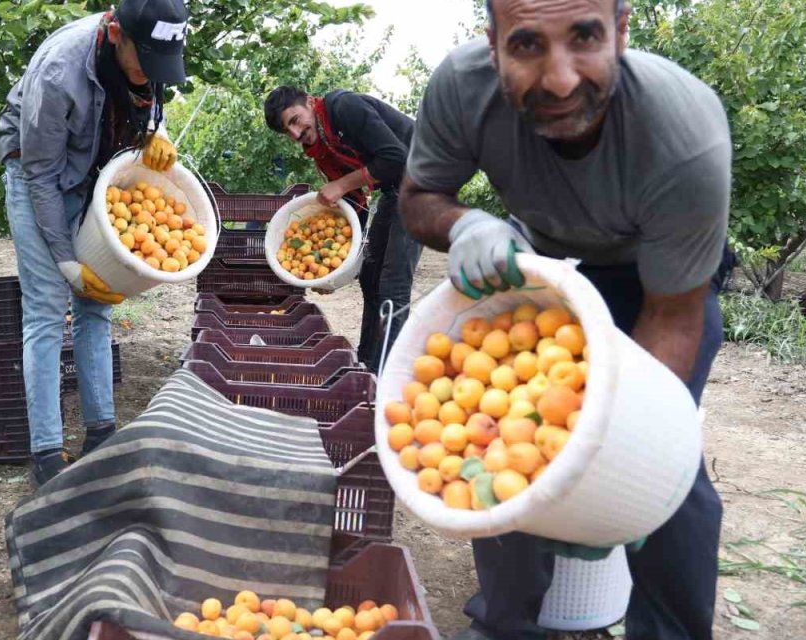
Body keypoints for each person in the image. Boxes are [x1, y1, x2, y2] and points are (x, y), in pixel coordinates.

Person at [399, 0, 735, 638]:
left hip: (657, 281)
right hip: (546, 267)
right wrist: (465, 222)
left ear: (622, 32)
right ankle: (505, 625)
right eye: (526, 45)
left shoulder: (682, 135)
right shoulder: (462, 87)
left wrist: (613, 461)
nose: (559, 78)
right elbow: (420, 197)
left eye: (585, 38)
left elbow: (672, 314)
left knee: (663, 463)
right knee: (498, 442)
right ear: (491, 44)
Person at [0, 0, 186, 486]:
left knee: (96, 302)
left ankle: (101, 433)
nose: (150, 74)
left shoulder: (147, 55)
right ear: (116, 32)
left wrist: (157, 130)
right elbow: (41, 175)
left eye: (159, 65)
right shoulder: (61, 69)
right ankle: (46, 454)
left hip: (88, 172)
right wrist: (64, 260)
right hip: (34, 170)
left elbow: (145, 99)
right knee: (45, 306)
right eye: (144, 61)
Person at [263, 86, 423, 372]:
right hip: (396, 187)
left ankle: (387, 374)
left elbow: (394, 157)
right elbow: (354, 203)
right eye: (288, 131)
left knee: (393, 283)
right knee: (370, 277)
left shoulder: (342, 107)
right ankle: (367, 364)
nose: (296, 133)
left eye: (295, 120)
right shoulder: (321, 147)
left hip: (424, 176)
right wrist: (336, 270)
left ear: (310, 103)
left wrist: (340, 184)